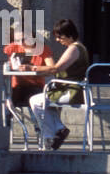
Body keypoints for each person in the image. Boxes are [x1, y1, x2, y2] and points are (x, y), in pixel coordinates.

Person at [28, 19, 90, 151]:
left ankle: (52, 135)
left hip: (72, 91)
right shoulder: (80, 48)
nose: (57, 40)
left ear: (69, 35)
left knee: (35, 101)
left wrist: (32, 68)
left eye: (60, 37)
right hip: (74, 89)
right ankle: (57, 131)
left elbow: (55, 69)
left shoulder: (74, 49)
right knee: (44, 102)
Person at [3, 24, 46, 110]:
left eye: (23, 39)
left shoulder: (41, 49)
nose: (20, 43)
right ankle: (7, 121)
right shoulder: (12, 48)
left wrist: (33, 68)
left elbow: (53, 68)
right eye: (17, 40)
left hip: (35, 86)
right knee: (5, 101)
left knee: (36, 100)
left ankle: (38, 122)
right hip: (16, 87)